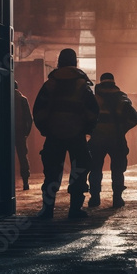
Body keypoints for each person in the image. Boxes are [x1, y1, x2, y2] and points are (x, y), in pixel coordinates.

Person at [33, 48, 99, 219]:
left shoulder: (50, 84)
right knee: (79, 171)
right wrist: (87, 130)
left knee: (52, 173)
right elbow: (93, 112)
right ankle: (75, 210)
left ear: (59, 62)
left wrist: (45, 129)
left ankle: (47, 210)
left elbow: (38, 110)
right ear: (75, 62)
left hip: (54, 136)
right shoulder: (82, 85)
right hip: (77, 136)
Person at [87, 73, 137, 208]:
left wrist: (89, 131)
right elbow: (134, 118)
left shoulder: (94, 99)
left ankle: (94, 198)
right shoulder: (121, 98)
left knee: (95, 169)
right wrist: (122, 129)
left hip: (97, 139)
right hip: (116, 139)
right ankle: (117, 198)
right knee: (117, 169)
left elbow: (85, 117)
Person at [14, 82, 33, 190]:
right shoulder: (22, 99)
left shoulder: (3, 97)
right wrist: (26, 133)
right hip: (20, 132)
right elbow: (29, 119)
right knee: (23, 157)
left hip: (7, 133)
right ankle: (25, 182)